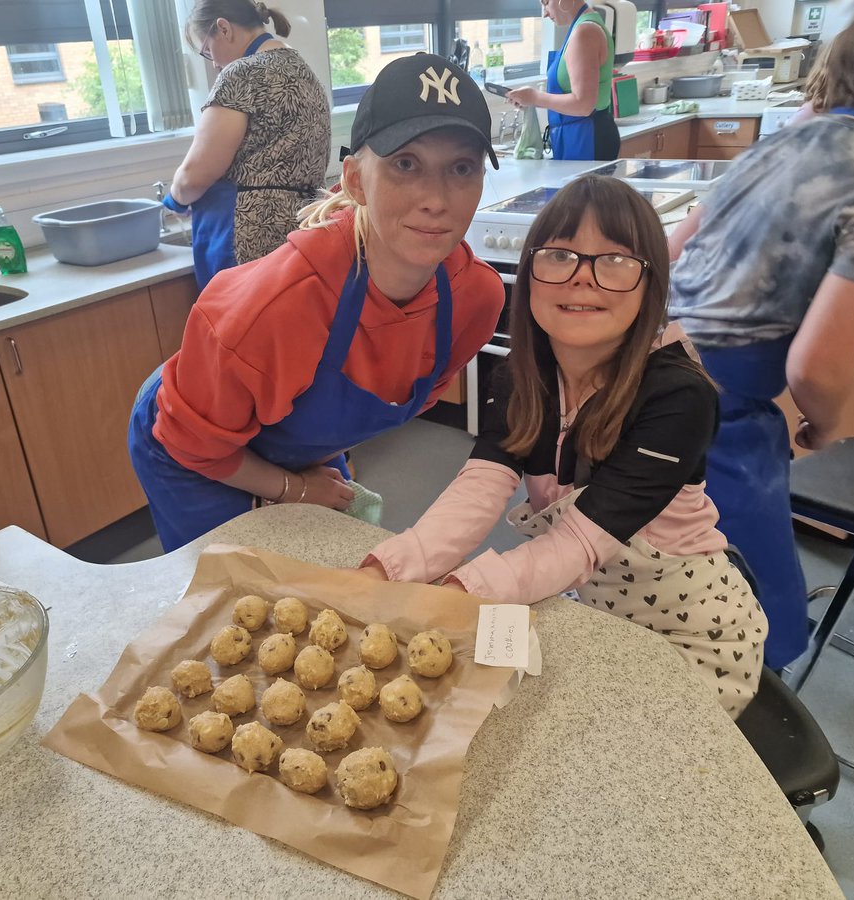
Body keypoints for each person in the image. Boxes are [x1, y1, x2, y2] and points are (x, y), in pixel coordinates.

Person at [359, 176, 767, 719]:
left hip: (692, 633)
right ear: (528, 277)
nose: (582, 281)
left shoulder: (677, 398)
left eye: (615, 261)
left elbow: (578, 542)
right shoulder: (524, 378)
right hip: (595, 610)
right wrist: (390, 568)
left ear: (652, 285)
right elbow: (480, 487)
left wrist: (459, 590)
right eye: (559, 256)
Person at [666, 0, 854, 671]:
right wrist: (827, 428)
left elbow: (671, 246)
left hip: (647, 375)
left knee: (645, 578)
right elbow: (815, 363)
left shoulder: (787, 139)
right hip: (713, 418)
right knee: (745, 619)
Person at [130, 53, 506, 551]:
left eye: (461, 168)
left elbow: (418, 388)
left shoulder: (473, 298)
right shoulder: (277, 307)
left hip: (288, 442)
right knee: (236, 598)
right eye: (405, 164)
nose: (436, 199)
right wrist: (296, 488)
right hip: (192, 444)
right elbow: (192, 444)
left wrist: (310, 468)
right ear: (354, 180)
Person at [165, 0, 330, 289]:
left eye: (206, 51)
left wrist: (175, 200)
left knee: (246, 329)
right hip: (305, 227)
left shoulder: (240, 75)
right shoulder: (303, 70)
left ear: (224, 28)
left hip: (251, 236)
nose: (214, 63)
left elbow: (195, 174)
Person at [505, 0, 620, 161]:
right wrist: (531, 100)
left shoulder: (584, 32)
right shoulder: (584, 26)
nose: (545, 13)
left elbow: (583, 104)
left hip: (587, 138)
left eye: (546, 3)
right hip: (581, 135)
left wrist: (535, 97)